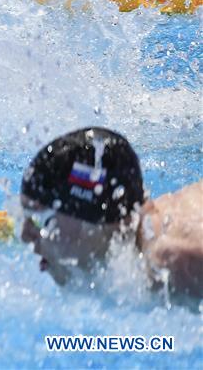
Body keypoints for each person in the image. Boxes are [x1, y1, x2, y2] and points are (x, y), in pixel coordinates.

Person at [20, 127, 202, 300]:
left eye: (39, 221)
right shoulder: (138, 226)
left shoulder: (179, 262)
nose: (25, 237)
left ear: (93, 221)